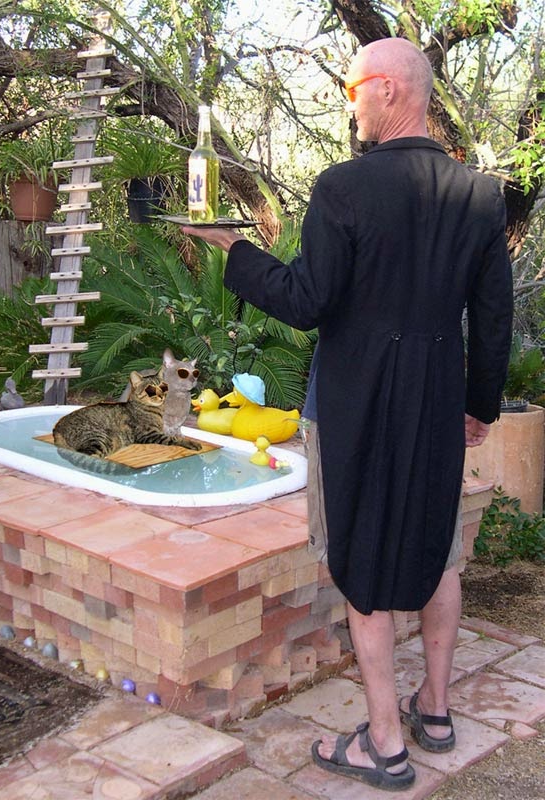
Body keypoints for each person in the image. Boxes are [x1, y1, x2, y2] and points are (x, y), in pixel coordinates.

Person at [183, 37, 513, 792]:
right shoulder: (480, 195)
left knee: (360, 554)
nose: (350, 102)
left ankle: (385, 745)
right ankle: (435, 711)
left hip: (355, 406)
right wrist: (479, 407)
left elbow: (307, 301)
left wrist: (234, 249)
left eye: (352, 87)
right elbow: (492, 318)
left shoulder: (343, 187)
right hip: (436, 403)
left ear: (389, 89)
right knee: (439, 551)